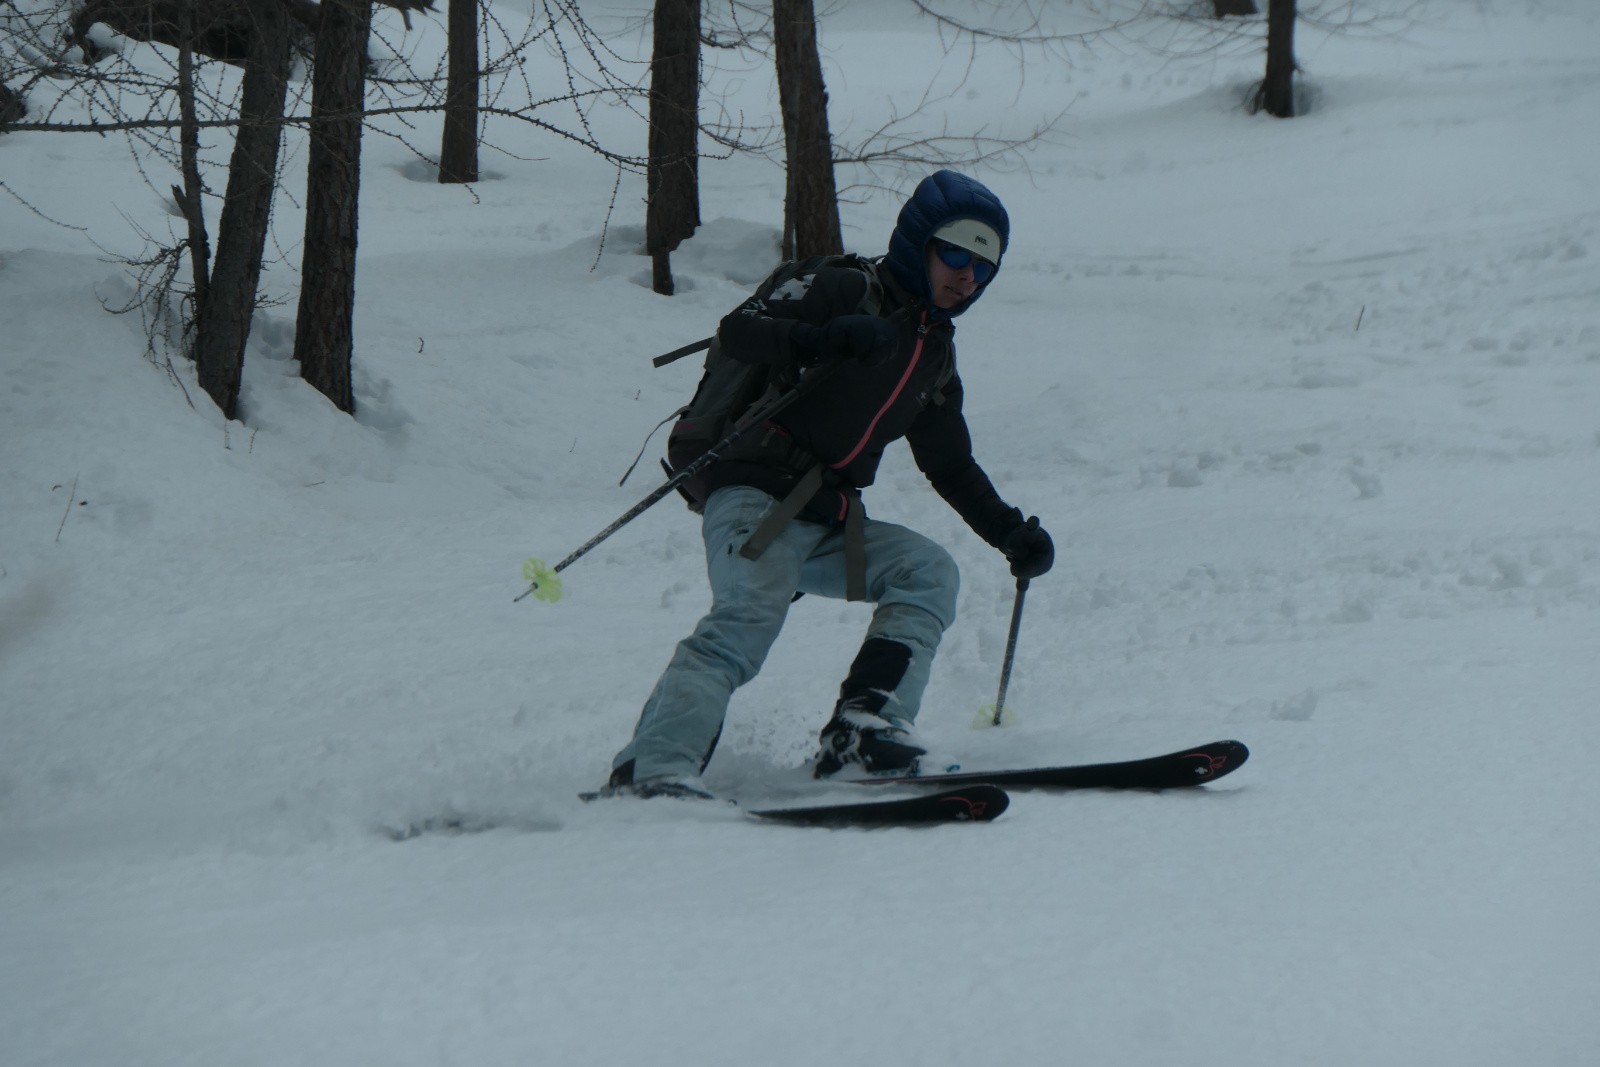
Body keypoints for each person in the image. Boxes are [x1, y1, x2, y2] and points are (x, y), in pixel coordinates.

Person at [606, 169, 1054, 797]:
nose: (967, 276)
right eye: (955, 253)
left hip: (824, 518)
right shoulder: (845, 286)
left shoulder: (934, 356)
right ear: (919, 243)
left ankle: (864, 734)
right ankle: (652, 770)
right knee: (747, 618)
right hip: (753, 495)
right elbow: (740, 329)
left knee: (926, 572)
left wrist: (1009, 532)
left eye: (984, 266)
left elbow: (949, 464)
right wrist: (822, 335)